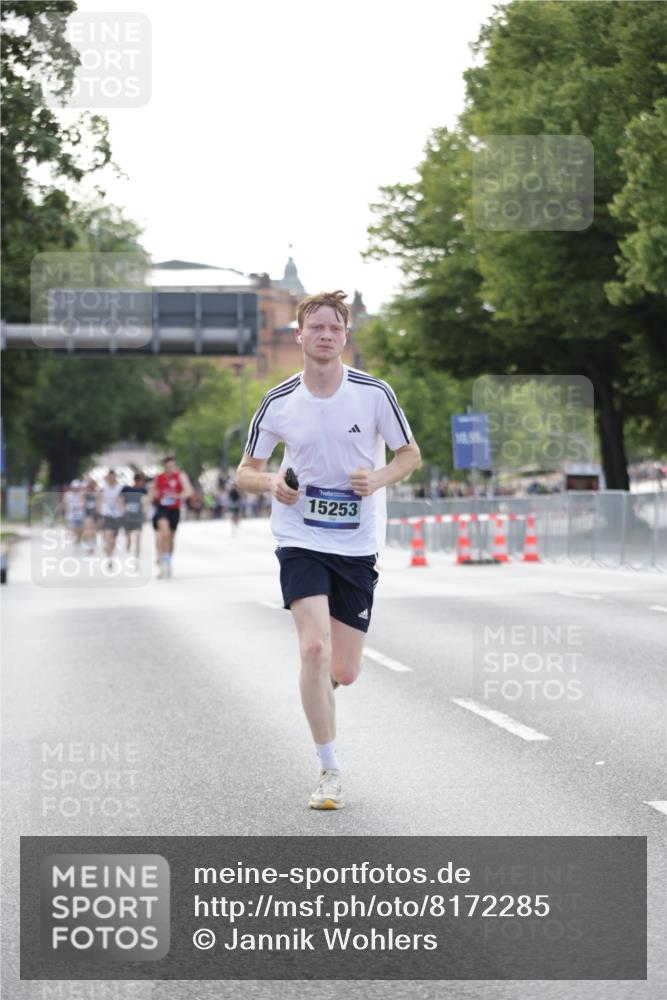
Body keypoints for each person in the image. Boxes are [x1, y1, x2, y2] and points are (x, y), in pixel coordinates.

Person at [236, 289, 420, 810]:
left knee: (344, 670)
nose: (325, 336)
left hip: (357, 542)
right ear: (299, 336)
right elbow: (243, 472)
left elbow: (410, 454)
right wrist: (273, 482)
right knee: (312, 649)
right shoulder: (277, 401)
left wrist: (378, 477)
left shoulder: (373, 393)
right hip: (300, 537)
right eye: (315, 327)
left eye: (334, 329)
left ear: (345, 336)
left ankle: (320, 688)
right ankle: (329, 769)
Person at [147, 455, 193, 578]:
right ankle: (160, 560)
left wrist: (177, 496)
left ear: (174, 466)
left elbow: (188, 492)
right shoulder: (159, 477)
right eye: (167, 466)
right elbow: (152, 492)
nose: (169, 469)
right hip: (161, 509)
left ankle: (167, 560)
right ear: (164, 466)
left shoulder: (180, 476)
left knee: (171, 538)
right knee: (163, 533)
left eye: (171, 466)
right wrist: (149, 505)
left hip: (174, 510)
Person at [100, 469, 124, 567]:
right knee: (107, 534)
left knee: (113, 539)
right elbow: (99, 500)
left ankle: (110, 555)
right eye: (109, 477)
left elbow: (123, 501)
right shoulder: (103, 489)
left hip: (117, 516)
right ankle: (108, 552)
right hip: (107, 515)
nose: (111, 479)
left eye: (113, 477)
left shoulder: (120, 488)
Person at [121, 472, 148, 559]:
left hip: (138, 517)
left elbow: (148, 501)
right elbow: (119, 499)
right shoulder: (126, 489)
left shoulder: (144, 490)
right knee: (128, 536)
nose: (142, 483)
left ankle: (137, 556)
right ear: (136, 481)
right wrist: (122, 508)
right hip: (128, 516)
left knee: (138, 536)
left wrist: (146, 511)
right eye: (141, 481)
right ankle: (128, 545)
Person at [61, 480, 85, 546]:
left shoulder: (82, 494)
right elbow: (65, 505)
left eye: (77, 487)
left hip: (80, 515)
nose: (76, 489)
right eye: (74, 487)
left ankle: (79, 539)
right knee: (74, 529)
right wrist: (66, 515)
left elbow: (84, 504)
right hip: (71, 515)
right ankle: (76, 539)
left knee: (80, 530)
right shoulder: (68, 495)